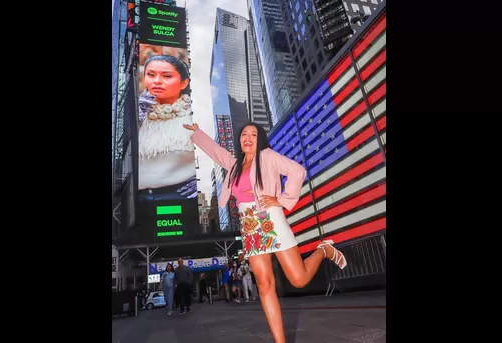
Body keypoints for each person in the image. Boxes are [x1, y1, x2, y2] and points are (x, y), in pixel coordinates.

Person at [184, 122, 348, 343]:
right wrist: (198, 133)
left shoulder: (267, 156)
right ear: (240, 141)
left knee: (299, 279)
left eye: (253, 134)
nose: (248, 137)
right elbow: (218, 152)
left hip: (271, 219)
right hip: (250, 226)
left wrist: (282, 200)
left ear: (259, 139)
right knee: (263, 284)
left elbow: (297, 171)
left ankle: (324, 250)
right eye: (244, 134)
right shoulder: (234, 166)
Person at [137, 55, 197, 202]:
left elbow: (215, 156)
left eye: (167, 76)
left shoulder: (194, 116)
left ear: (184, 83)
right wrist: (135, 117)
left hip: (180, 196)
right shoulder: (134, 111)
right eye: (151, 75)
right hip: (133, 199)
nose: (157, 81)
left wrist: (201, 181)